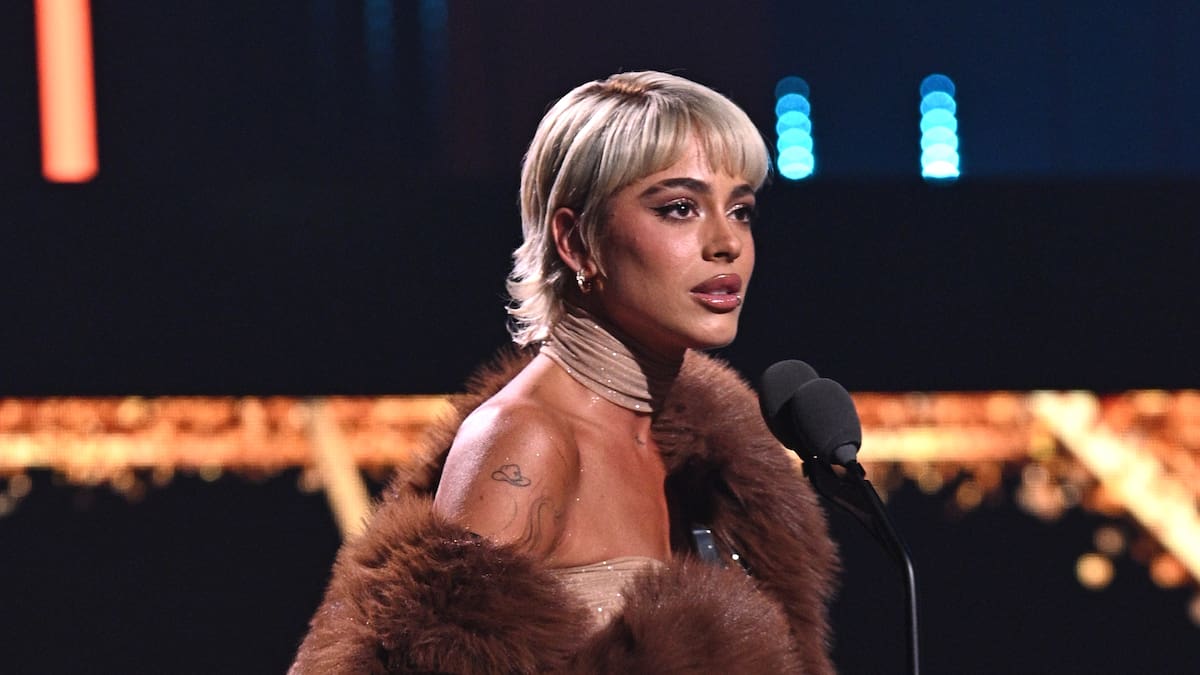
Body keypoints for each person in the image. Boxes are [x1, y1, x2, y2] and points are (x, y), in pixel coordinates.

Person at [291, 70, 838, 673]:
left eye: (740, 210)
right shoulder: (526, 442)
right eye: (680, 208)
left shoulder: (705, 465)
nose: (726, 242)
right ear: (576, 242)